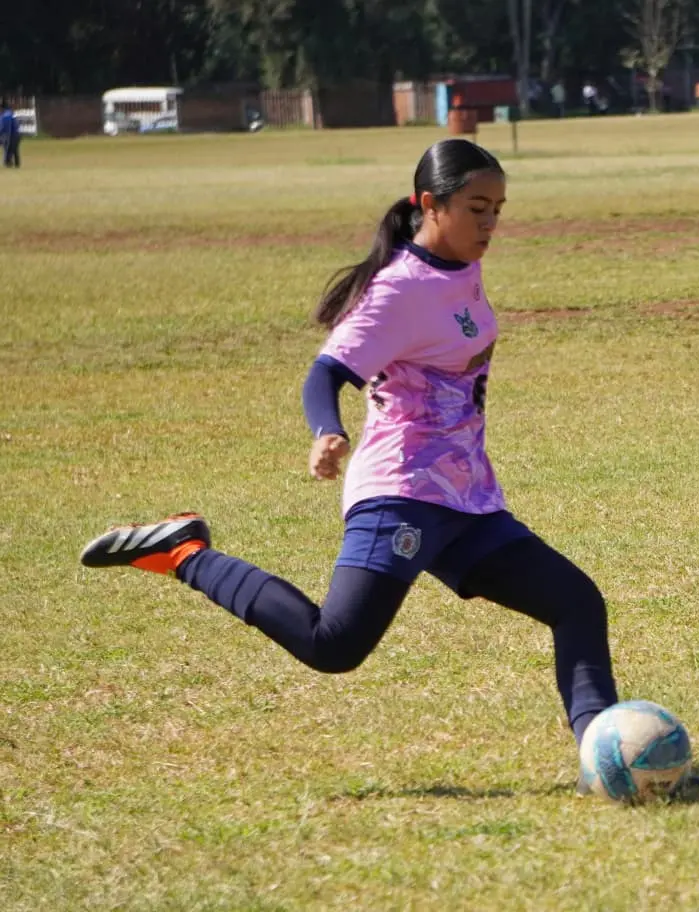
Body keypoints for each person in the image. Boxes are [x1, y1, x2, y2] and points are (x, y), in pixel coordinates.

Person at [78, 139, 621, 777]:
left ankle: (604, 754)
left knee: (576, 602)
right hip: (402, 492)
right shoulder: (397, 291)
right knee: (332, 645)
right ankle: (183, 552)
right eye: (478, 208)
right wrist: (325, 430)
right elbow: (325, 372)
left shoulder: (460, 268)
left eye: (498, 209)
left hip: (465, 498)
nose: (491, 223)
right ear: (431, 206)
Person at [0, 102, 19, 169]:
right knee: (14, 149)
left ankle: (8, 162)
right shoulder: (11, 113)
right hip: (16, 134)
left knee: (8, 149)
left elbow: (4, 127)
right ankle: (16, 163)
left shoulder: (5, 115)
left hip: (9, 135)